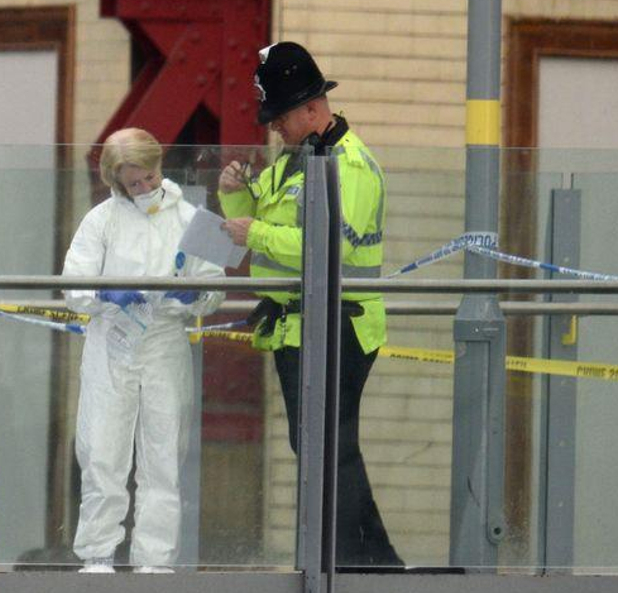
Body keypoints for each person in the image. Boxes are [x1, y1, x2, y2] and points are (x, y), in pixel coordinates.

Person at [218, 42, 403, 568]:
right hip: (299, 325)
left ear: (312, 109)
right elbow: (260, 223)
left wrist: (255, 231)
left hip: (339, 325)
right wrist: (236, 197)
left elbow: (331, 246)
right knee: (320, 447)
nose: (274, 127)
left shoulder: (352, 166)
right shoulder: (298, 159)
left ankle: (357, 563)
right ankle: (370, 563)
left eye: (279, 117)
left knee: (328, 447)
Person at [63, 128, 224, 573]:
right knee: (101, 453)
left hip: (164, 345)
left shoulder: (196, 219)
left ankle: (155, 560)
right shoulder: (101, 220)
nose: (145, 188)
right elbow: (73, 285)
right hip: (110, 345)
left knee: (162, 456)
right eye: (133, 184)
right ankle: (96, 555)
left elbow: (216, 286)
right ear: (117, 184)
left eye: (149, 177)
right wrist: (106, 294)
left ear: (159, 167)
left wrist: (196, 297)